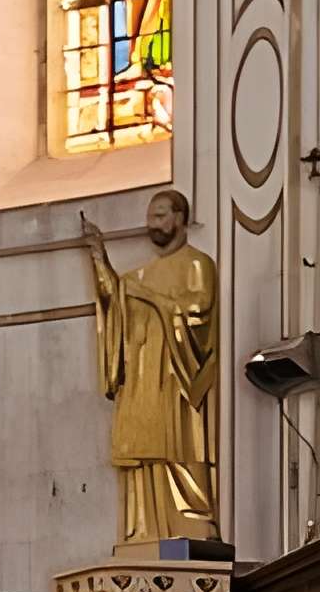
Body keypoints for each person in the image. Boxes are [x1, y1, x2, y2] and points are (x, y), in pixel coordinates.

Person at [78, 189, 221, 548]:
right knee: (141, 457)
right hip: (141, 382)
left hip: (175, 382)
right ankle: (144, 531)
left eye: (159, 216)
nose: (151, 224)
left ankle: (190, 525)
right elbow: (115, 302)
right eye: (149, 217)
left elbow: (198, 312)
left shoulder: (197, 264)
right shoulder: (140, 276)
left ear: (180, 218)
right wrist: (98, 256)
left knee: (178, 449)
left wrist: (152, 297)